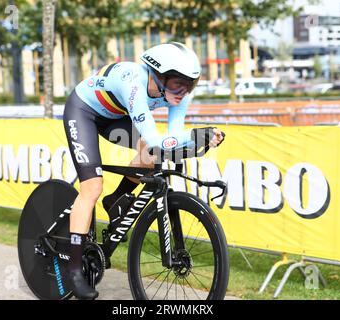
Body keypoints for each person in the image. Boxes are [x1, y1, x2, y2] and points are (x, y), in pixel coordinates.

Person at [62, 42, 224, 300]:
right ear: (158, 76)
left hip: (116, 116)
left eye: (190, 84)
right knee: (91, 187)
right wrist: (195, 134)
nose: (183, 92)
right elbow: (158, 138)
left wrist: (200, 140)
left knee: (152, 155)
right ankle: (73, 270)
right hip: (83, 111)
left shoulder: (178, 94)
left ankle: (116, 200)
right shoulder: (134, 83)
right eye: (176, 84)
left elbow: (171, 138)